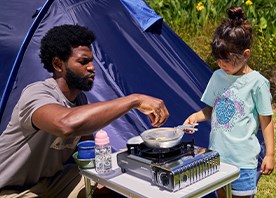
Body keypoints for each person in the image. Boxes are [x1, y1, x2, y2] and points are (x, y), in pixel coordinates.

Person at [0, 24, 169, 197]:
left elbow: (86, 150)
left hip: (52, 183)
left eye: (91, 61)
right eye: (83, 61)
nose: (92, 67)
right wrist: (134, 100)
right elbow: (66, 124)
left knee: (114, 186)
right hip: (9, 191)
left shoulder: (79, 100)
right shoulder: (37, 94)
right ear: (58, 64)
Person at [183, 6, 274, 198]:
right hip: (217, 157)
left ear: (246, 54)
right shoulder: (218, 77)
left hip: (243, 160)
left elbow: (266, 121)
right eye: (218, 59)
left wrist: (270, 154)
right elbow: (210, 110)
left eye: (226, 60)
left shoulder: (257, 83)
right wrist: (195, 117)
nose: (220, 64)